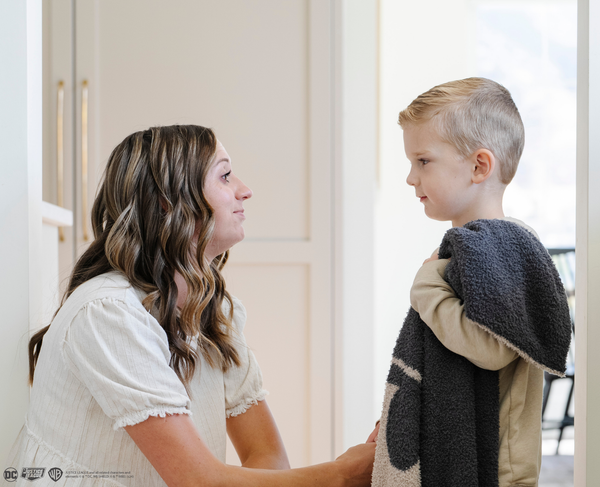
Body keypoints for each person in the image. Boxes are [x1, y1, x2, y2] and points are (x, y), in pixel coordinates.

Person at [8, 125, 375, 487]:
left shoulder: (214, 313)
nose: (245, 191)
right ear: (168, 202)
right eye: (226, 176)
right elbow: (198, 481)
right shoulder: (108, 313)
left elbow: (267, 457)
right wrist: (341, 475)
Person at [369, 79, 572, 487]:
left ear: (480, 166)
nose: (411, 178)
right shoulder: (482, 246)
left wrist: (426, 286)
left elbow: (491, 347)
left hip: (495, 467)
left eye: (423, 161)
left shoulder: (496, 247)